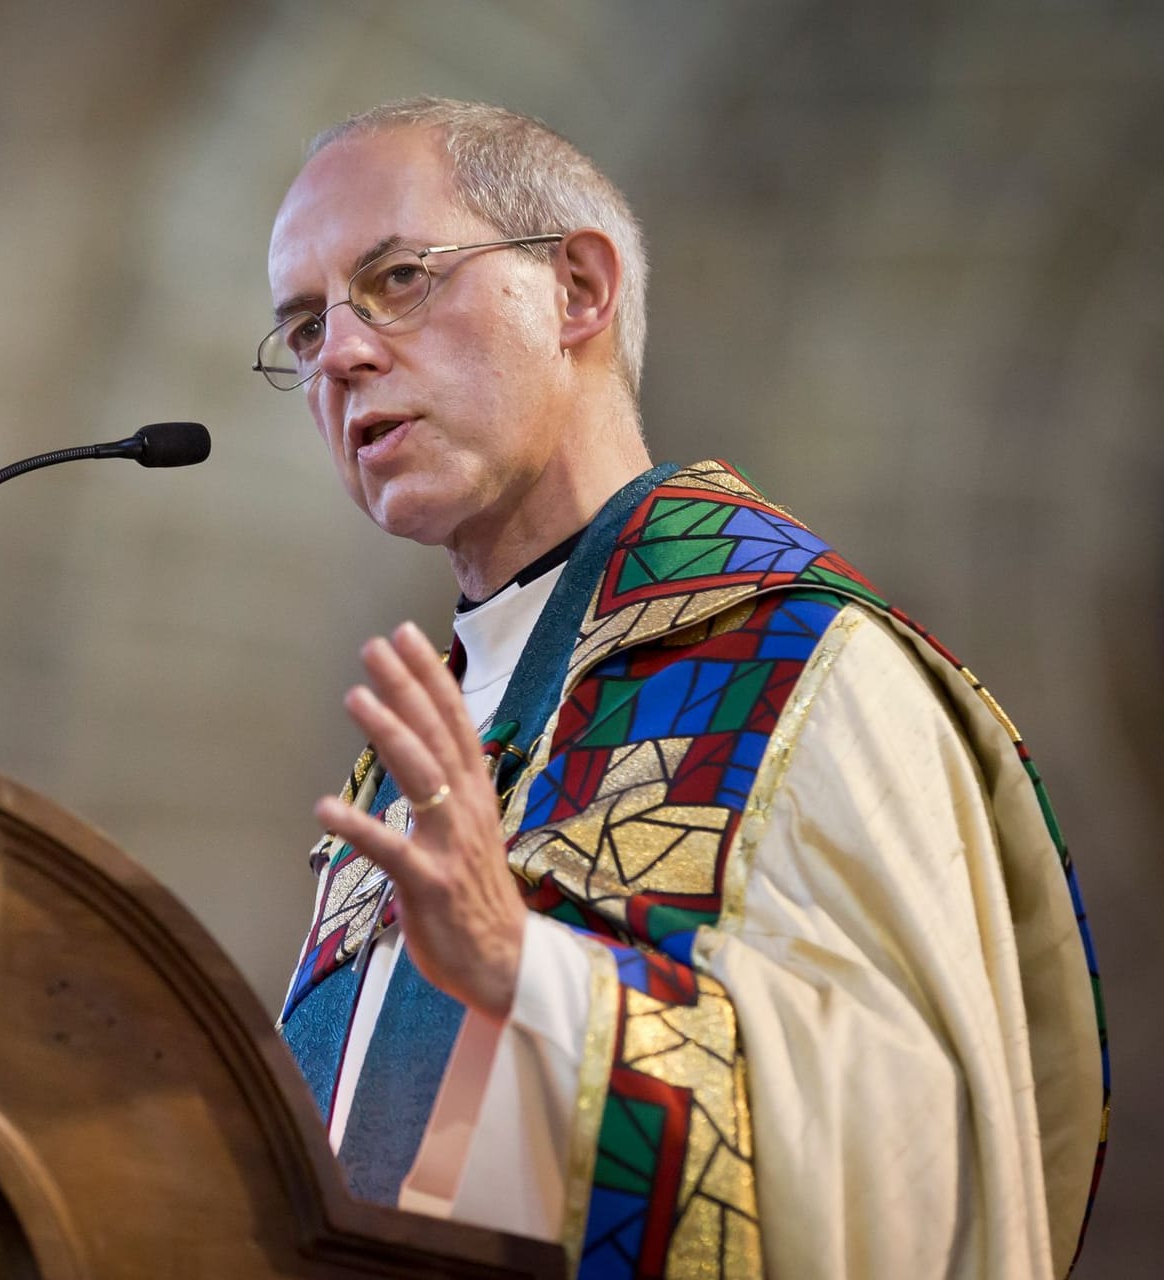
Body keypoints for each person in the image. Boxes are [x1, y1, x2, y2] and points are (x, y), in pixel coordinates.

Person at [261, 97, 1106, 1279]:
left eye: (399, 277)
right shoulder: (415, 761)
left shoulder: (807, 667)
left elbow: (922, 1164)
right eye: (303, 329)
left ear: (580, 291)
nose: (341, 354)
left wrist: (534, 978)